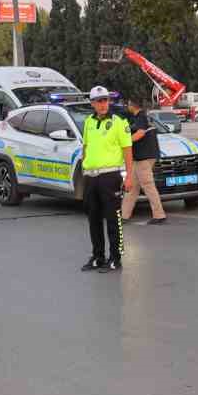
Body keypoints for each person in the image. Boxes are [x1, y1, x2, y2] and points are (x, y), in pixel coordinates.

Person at [80, 86, 134, 271]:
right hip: (91, 176)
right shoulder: (88, 122)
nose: (103, 104)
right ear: (92, 103)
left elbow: (127, 150)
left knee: (113, 218)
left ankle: (115, 258)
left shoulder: (119, 122)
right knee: (93, 219)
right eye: (99, 101)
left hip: (110, 176)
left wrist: (129, 177)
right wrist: (84, 167)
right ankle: (98, 256)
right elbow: (85, 146)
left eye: (105, 100)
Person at [122, 95, 167, 224]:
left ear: (132, 105)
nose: (127, 106)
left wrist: (126, 142)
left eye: (128, 104)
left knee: (148, 186)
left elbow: (141, 133)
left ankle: (159, 215)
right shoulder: (142, 117)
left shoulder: (140, 117)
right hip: (140, 158)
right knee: (132, 187)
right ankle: (124, 215)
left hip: (143, 158)